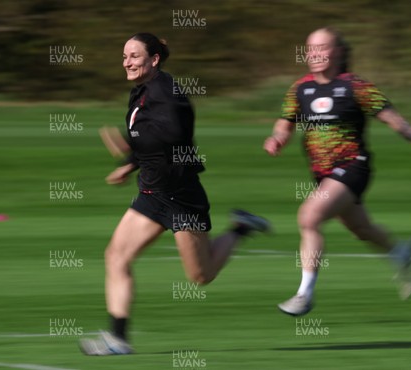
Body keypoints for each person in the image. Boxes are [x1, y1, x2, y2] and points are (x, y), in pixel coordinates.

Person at [79, 32, 270, 355]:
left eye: (134, 56)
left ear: (154, 60)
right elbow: (145, 141)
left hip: (181, 195)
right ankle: (117, 339)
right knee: (115, 256)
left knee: (201, 276)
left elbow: (173, 135)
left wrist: (131, 148)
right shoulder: (138, 92)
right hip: (152, 194)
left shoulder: (169, 94)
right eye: (124, 56)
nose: (127, 61)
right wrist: (129, 163)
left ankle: (240, 227)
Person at [263, 27, 411, 316]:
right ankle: (401, 253)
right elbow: (285, 122)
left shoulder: (356, 86)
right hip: (324, 174)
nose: (314, 54)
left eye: (322, 47)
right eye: (310, 48)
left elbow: (396, 121)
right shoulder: (300, 88)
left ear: (338, 52)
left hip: (353, 166)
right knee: (361, 229)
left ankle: (304, 294)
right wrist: (277, 138)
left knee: (309, 216)